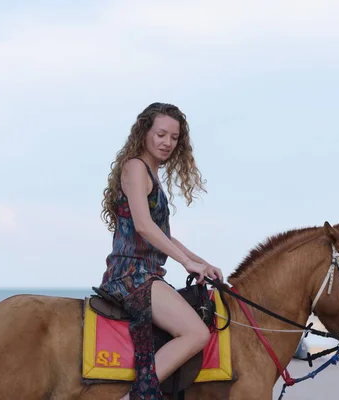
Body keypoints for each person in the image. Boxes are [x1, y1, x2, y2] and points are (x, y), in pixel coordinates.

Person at [99, 102, 224, 400]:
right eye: (161, 134)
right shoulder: (135, 168)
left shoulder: (151, 175)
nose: (167, 142)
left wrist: (201, 263)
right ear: (144, 133)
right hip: (131, 276)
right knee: (196, 334)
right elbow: (144, 226)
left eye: (174, 137)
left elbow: (163, 236)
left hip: (148, 274)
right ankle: (138, 395)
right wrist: (185, 263)